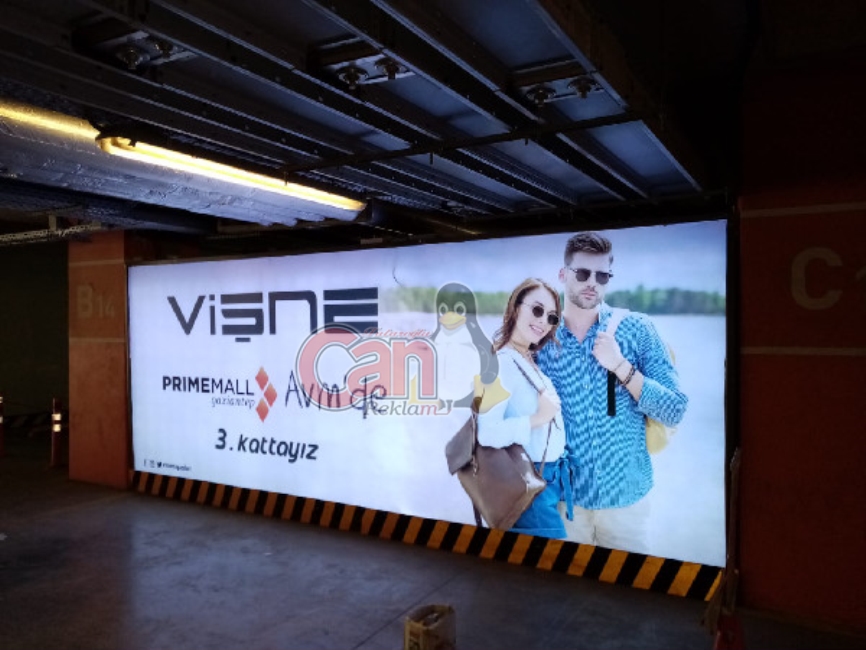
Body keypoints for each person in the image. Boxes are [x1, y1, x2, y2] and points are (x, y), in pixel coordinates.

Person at [536, 232, 687, 552]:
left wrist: (620, 366)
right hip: (563, 503)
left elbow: (675, 409)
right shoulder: (541, 337)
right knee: (562, 584)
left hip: (626, 503)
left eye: (602, 275)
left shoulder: (638, 329)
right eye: (582, 273)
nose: (592, 282)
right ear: (563, 274)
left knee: (629, 584)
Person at [476, 278, 571, 538]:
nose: (543, 322)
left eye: (551, 317)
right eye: (537, 310)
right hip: (527, 484)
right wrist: (539, 417)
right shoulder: (501, 363)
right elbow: (487, 432)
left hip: (548, 482)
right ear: (516, 307)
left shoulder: (528, 360)